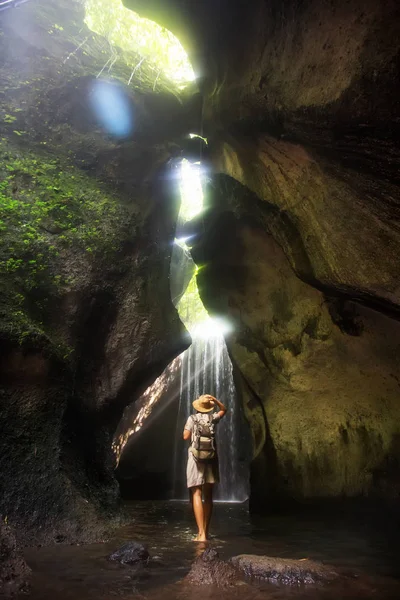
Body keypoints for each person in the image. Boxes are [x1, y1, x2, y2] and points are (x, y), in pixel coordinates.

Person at [183, 394, 227, 542]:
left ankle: (200, 534)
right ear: (209, 407)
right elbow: (224, 409)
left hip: (196, 458)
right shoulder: (213, 418)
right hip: (211, 457)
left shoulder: (192, 418)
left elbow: (185, 436)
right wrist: (215, 400)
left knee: (196, 493)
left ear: (197, 406)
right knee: (208, 495)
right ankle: (206, 533)